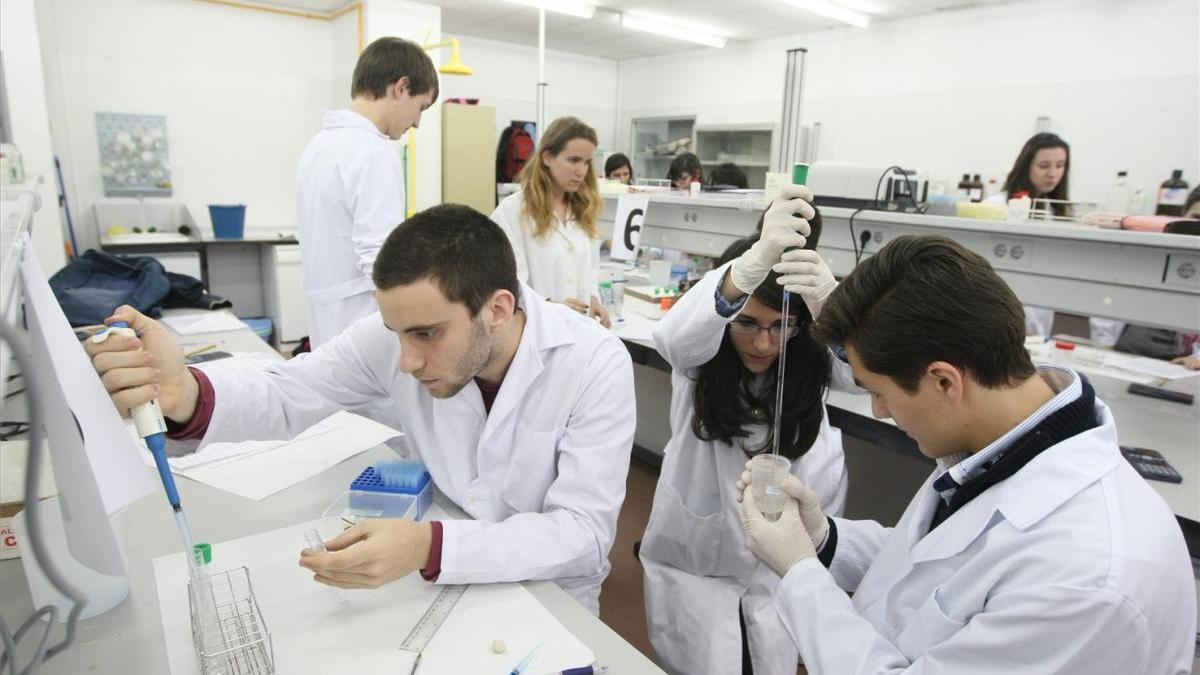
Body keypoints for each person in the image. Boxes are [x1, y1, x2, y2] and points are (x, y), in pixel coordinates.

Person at [85, 204, 635, 614]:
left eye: (427, 334)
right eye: (397, 332)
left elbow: (581, 533)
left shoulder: (593, 362)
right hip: (436, 578)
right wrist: (184, 394)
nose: (406, 360)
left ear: (498, 308)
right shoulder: (397, 338)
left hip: (548, 597)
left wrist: (429, 544)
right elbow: (289, 391)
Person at [737, 234, 1196, 673]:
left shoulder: (1084, 580)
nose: (878, 412)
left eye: (879, 392)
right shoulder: (1003, 442)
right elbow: (932, 566)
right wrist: (820, 537)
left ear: (944, 381)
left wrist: (798, 571)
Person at [641, 185, 849, 675]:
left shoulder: (808, 359)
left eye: (782, 326)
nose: (763, 342)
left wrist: (835, 309)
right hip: (697, 562)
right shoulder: (701, 357)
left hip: (776, 566)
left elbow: (865, 372)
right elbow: (673, 337)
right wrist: (750, 266)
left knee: (767, 652)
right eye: (748, 323)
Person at [295, 37, 438, 348]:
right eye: (421, 107)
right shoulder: (373, 151)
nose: (417, 122)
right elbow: (381, 259)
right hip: (363, 323)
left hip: (327, 322)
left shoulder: (319, 145)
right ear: (401, 88)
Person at [491, 117, 611, 328]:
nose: (581, 171)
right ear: (547, 157)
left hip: (579, 328)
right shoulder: (513, 211)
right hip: (535, 330)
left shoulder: (583, 209)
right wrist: (549, 307)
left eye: (586, 162)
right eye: (573, 160)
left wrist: (592, 297)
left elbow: (590, 266)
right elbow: (504, 280)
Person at [984, 132, 1071, 218]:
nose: (1052, 174)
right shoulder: (996, 205)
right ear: (1025, 167)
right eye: (1043, 166)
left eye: (1059, 165)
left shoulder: (1053, 209)